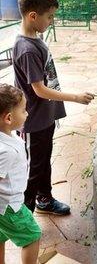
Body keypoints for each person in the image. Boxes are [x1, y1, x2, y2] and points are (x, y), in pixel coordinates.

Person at [12, 0, 94, 215]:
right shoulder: (27, 48)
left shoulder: (35, 39)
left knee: (43, 162)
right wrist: (75, 97)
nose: (52, 21)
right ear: (33, 16)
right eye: (49, 17)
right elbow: (40, 90)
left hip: (43, 118)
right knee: (33, 169)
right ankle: (24, 217)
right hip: (33, 121)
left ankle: (44, 199)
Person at [0, 84, 41, 264]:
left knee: (1, 236)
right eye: (24, 111)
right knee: (32, 236)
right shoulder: (5, 151)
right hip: (9, 206)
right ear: (8, 118)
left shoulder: (8, 134)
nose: (27, 114)